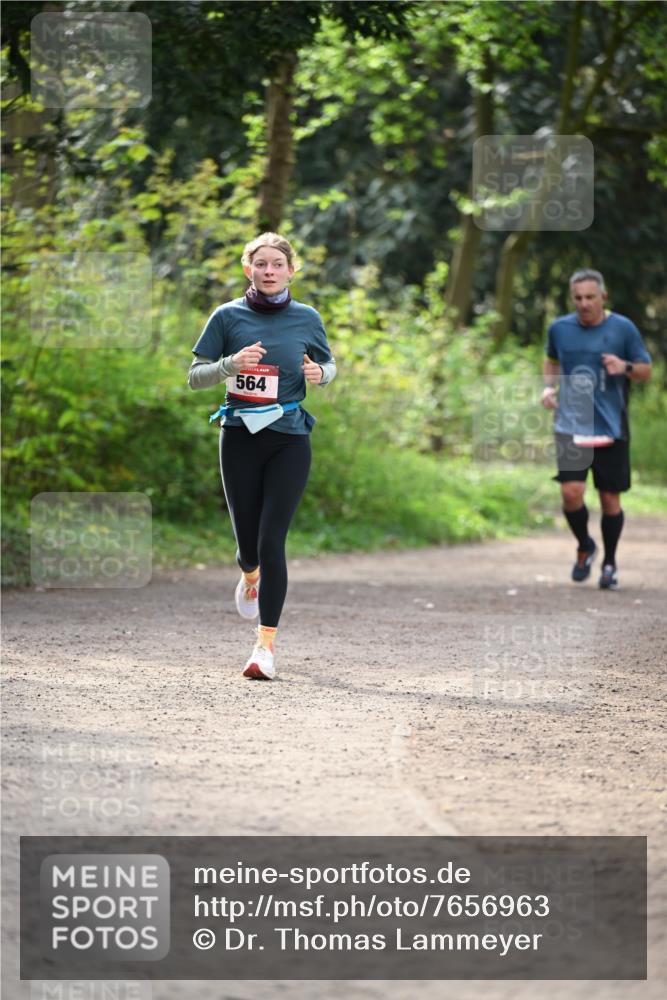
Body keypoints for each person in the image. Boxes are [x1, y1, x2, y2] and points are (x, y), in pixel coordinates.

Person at [188, 233, 336, 679]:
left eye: (277, 264)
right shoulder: (227, 316)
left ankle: (264, 649)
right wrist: (230, 365)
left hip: (290, 438)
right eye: (261, 264)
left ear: (291, 270)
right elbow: (196, 377)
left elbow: (329, 366)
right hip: (239, 437)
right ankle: (248, 575)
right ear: (247, 268)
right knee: (248, 546)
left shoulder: (307, 318)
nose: (269, 271)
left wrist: (320, 373)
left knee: (273, 541)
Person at [541, 268, 651, 589]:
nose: (584, 304)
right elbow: (550, 359)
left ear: (603, 296)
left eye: (590, 297)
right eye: (578, 298)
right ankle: (585, 545)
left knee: (609, 500)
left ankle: (610, 564)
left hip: (611, 425)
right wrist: (548, 388)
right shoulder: (559, 329)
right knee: (570, 492)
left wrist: (625, 366)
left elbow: (646, 371)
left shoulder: (623, 329)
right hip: (571, 422)